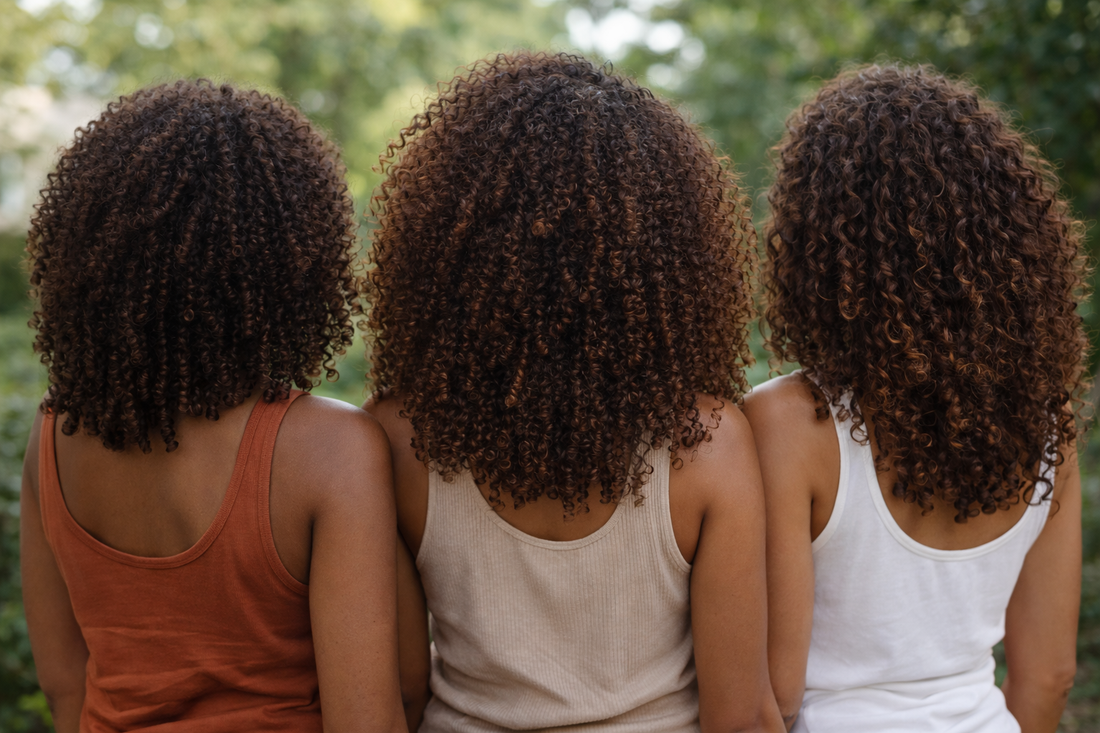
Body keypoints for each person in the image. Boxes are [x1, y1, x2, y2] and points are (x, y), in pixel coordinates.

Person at [363, 52, 783, 733]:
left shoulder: (394, 438)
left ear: (449, 244)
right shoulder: (709, 445)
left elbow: (405, 684)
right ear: (667, 254)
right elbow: (741, 715)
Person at [20, 80, 404, 733]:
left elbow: (64, 685)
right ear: (293, 257)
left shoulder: (54, 433)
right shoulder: (329, 449)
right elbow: (371, 716)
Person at [745, 64, 1086, 733]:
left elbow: (774, 692)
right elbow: (1048, 676)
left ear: (819, 245)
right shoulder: (1050, 425)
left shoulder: (789, 424)